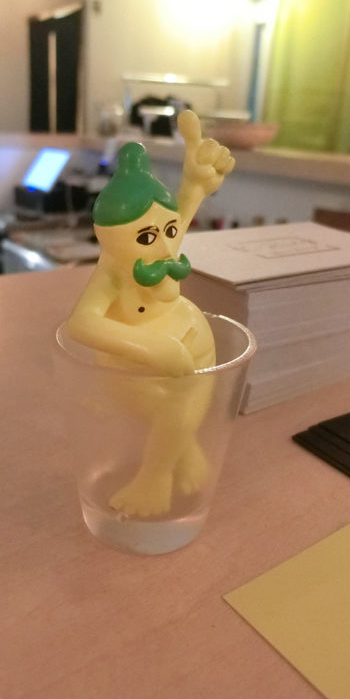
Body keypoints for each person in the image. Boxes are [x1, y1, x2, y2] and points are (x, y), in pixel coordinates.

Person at [66, 110, 234, 517]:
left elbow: (182, 214)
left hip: (195, 352)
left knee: (183, 400)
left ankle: (166, 466)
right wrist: (151, 346)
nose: (164, 248)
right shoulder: (112, 272)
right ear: (110, 237)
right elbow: (81, 324)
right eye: (146, 237)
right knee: (160, 404)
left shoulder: (163, 248)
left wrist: (193, 185)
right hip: (141, 365)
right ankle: (168, 466)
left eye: (169, 232)